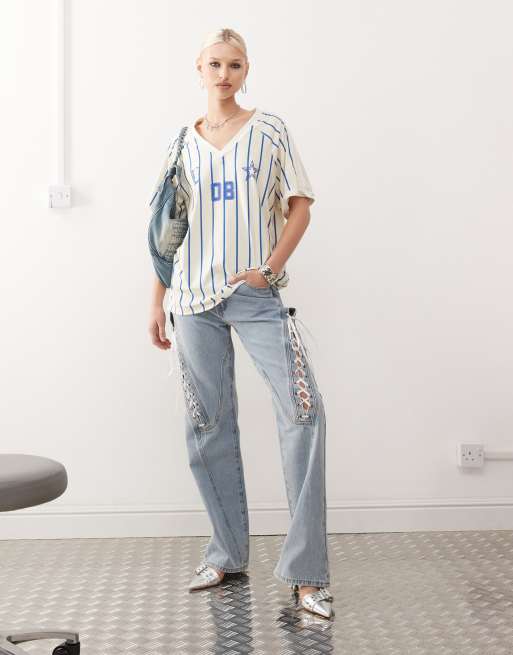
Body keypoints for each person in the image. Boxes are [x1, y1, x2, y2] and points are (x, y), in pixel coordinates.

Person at [148, 27, 333, 619]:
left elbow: (300, 205)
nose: (223, 74)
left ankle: (306, 574)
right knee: (208, 425)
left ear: (246, 70)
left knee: (303, 412)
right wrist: (157, 300)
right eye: (214, 64)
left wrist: (268, 269)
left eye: (233, 65)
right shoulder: (181, 144)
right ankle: (226, 553)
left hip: (255, 293)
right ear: (198, 70)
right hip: (191, 300)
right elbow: (165, 231)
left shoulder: (269, 130)